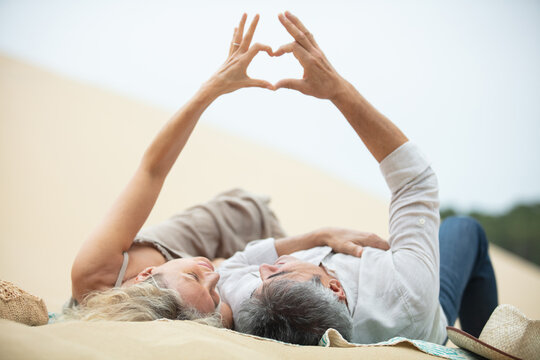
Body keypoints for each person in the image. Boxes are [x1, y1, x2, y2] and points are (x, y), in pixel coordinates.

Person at [67, 13, 389, 326]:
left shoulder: (96, 271)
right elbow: (229, 269)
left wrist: (216, 86)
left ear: (146, 274)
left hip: (243, 218)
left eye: (195, 277)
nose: (213, 279)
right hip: (253, 252)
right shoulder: (202, 312)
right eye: (212, 294)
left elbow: (152, 170)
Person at [217, 11, 498, 345]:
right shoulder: (407, 293)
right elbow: (415, 179)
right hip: (427, 313)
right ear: (335, 288)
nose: (267, 268)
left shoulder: (264, 309)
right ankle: (486, 346)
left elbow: (233, 269)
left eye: (263, 280)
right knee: (466, 230)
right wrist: (338, 90)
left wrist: (319, 235)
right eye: (280, 272)